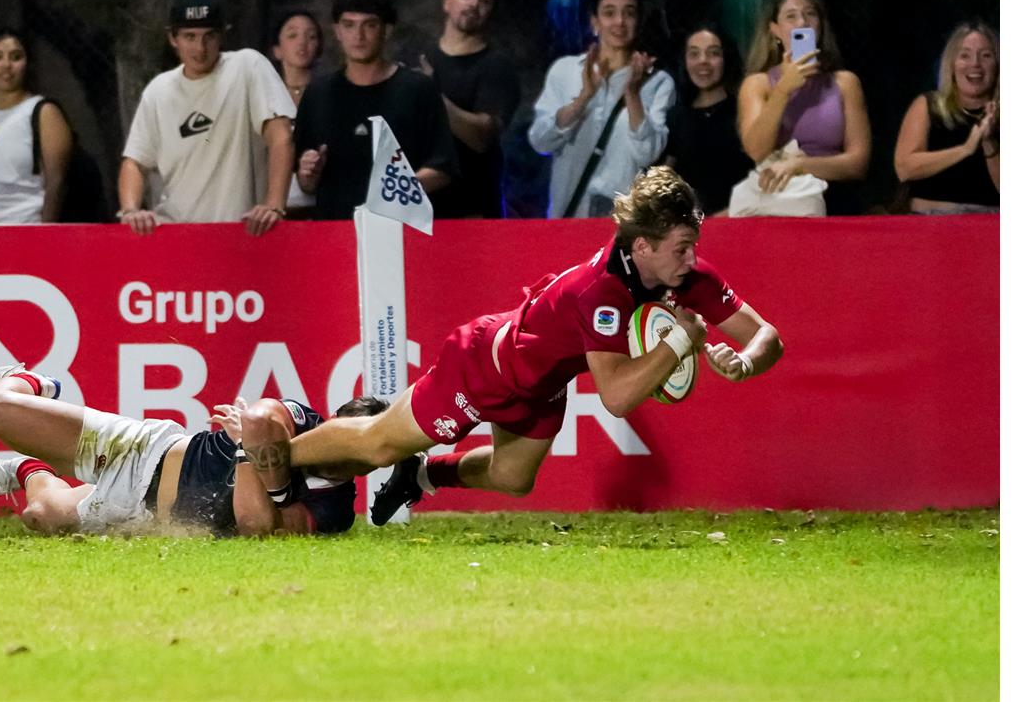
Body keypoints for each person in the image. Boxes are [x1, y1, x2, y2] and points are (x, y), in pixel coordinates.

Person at [281, 167, 784, 523]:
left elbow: (768, 337)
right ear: (642, 246)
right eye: (682, 248)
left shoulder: (682, 272)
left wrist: (744, 362)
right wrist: (681, 340)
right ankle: (267, 455)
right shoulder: (601, 292)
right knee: (379, 443)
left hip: (542, 386)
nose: (693, 259)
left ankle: (421, 477)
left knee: (512, 478)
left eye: (693, 245)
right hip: (485, 367)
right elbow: (616, 397)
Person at [0, 363, 389, 537]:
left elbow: (255, 524)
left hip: (142, 514)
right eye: (344, 432)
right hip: (144, 451)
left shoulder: (335, 509)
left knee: (39, 516)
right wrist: (255, 439)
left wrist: (245, 450)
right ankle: (35, 382)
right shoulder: (299, 418)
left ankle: (30, 470)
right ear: (333, 420)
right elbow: (261, 418)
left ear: (371, 460)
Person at [117, 0, 295, 237]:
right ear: (173, 38)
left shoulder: (247, 66)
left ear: (221, 35)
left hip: (242, 231)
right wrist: (130, 211)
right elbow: (134, 161)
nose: (200, 48)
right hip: (176, 233)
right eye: (190, 36)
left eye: (208, 36)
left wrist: (274, 206)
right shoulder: (158, 90)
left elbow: (281, 137)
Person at [294, 0, 458, 220]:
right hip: (335, 228)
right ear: (337, 31)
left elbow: (442, 167)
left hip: (401, 227)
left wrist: (394, 191)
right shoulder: (318, 93)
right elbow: (306, 181)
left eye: (369, 25)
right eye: (349, 25)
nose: (358, 36)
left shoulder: (418, 89)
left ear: (386, 30)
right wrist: (308, 173)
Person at [528, 0, 676, 219]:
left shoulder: (658, 82)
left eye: (629, 13)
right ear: (594, 22)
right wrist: (583, 98)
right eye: (609, 13)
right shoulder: (565, 70)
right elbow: (540, 141)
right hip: (568, 217)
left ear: (638, 22)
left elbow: (647, 154)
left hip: (623, 219)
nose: (619, 21)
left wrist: (633, 93)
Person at [736, 0, 871, 213]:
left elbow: (858, 163)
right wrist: (783, 90)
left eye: (810, 14)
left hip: (836, 198)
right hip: (781, 199)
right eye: (791, 16)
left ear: (820, 25)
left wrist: (800, 165)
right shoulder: (757, 84)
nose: (802, 22)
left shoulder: (845, 83)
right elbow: (756, 150)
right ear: (775, 30)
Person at [419, 0, 521, 218]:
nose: (474, 4)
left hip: (473, 210)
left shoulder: (497, 67)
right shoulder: (419, 56)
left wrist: (435, 97)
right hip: (417, 206)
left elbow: (481, 137)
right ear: (448, 2)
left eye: (484, 0)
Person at [893, 21, 999, 213]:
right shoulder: (928, 106)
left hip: (989, 218)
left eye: (986, 56)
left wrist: (988, 141)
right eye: (965, 55)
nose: (975, 64)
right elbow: (905, 169)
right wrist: (965, 150)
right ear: (951, 65)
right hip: (930, 217)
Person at [0, 28, 73, 223]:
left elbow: (56, 183)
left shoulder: (43, 111)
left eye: (16, 57)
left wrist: (43, 232)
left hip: (26, 226)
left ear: (27, 64)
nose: (6, 65)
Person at [662, 21, 754, 217]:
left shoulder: (745, 111)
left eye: (713, 53)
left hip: (741, 220)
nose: (703, 61)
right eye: (694, 54)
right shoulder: (676, 117)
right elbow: (665, 179)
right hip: (689, 227)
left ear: (726, 58)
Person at [270, 10, 325, 220]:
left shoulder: (329, 95)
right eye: (292, 35)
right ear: (277, 50)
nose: (302, 43)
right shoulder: (264, 98)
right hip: (273, 209)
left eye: (311, 36)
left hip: (318, 208)